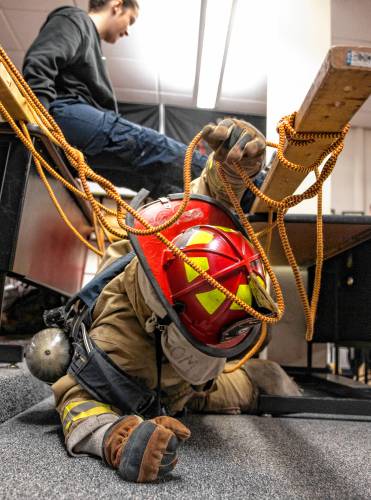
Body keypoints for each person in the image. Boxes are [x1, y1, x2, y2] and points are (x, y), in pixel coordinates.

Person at [26, 118, 301, 483]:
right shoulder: (115, 344)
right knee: (86, 401)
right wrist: (117, 438)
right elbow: (76, 396)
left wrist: (232, 172)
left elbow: (207, 203)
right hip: (145, 379)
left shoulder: (183, 239)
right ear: (166, 319)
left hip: (185, 382)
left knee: (267, 378)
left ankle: (257, 380)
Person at [22, 0, 209, 198]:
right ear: (117, 5)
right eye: (131, 20)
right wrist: (38, 125)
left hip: (79, 133)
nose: (127, 30)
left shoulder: (91, 42)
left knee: (151, 180)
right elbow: (40, 62)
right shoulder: (74, 19)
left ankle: (202, 210)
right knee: (152, 146)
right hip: (64, 115)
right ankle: (221, 177)